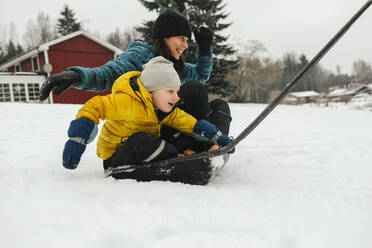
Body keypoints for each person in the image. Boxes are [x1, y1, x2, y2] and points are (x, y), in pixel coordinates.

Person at [62, 57, 234, 185]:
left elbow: (186, 121)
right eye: (170, 92)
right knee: (140, 139)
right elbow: (95, 106)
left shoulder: (161, 108)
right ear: (151, 91)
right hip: (116, 159)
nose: (176, 97)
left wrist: (216, 136)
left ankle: (191, 154)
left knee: (165, 133)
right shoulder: (127, 101)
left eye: (177, 91)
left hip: (143, 153)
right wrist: (77, 140)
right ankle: (181, 159)